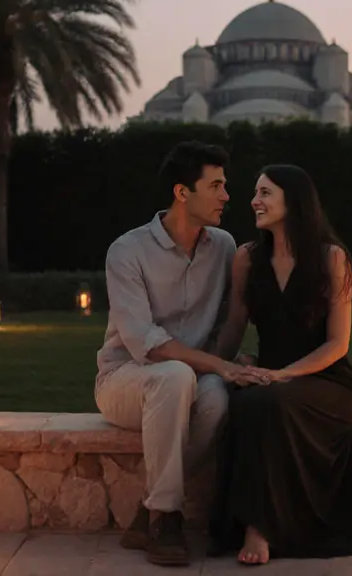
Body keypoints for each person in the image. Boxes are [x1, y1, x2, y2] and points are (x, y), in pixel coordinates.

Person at [95, 141, 261, 567]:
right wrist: (218, 365)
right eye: (216, 186)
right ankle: (167, 516)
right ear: (182, 192)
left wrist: (238, 361)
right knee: (175, 375)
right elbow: (144, 344)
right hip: (125, 379)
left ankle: (150, 511)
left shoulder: (223, 246)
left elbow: (231, 317)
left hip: (188, 380)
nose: (227, 196)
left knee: (216, 397)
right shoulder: (127, 251)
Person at [208, 164, 352, 565]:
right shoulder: (247, 259)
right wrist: (218, 365)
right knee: (246, 403)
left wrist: (284, 374)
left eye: (265, 193)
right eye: (255, 192)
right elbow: (234, 327)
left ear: (294, 199)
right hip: (271, 379)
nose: (254, 201)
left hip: (329, 382)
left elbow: (338, 344)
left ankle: (258, 527)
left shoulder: (331, 258)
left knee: (269, 403)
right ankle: (251, 523)